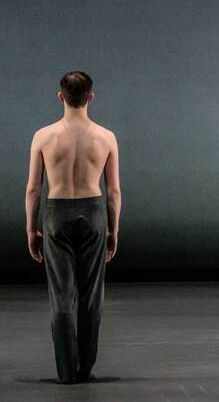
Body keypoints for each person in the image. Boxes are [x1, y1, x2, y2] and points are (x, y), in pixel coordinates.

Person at [24, 71, 121, 384]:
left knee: (62, 295)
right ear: (91, 96)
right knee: (90, 295)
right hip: (93, 211)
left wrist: (31, 230)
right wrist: (113, 230)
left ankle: (67, 372)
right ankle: (85, 369)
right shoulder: (106, 137)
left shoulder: (43, 136)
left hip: (57, 213)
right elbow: (114, 191)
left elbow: (33, 190)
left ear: (60, 96)